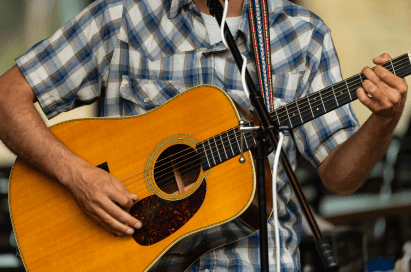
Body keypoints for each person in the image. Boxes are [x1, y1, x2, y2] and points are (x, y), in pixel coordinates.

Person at [0, 0, 407, 270]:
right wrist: (78, 176)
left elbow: (341, 176)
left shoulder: (302, 35)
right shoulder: (120, 18)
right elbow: (7, 99)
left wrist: (383, 120)